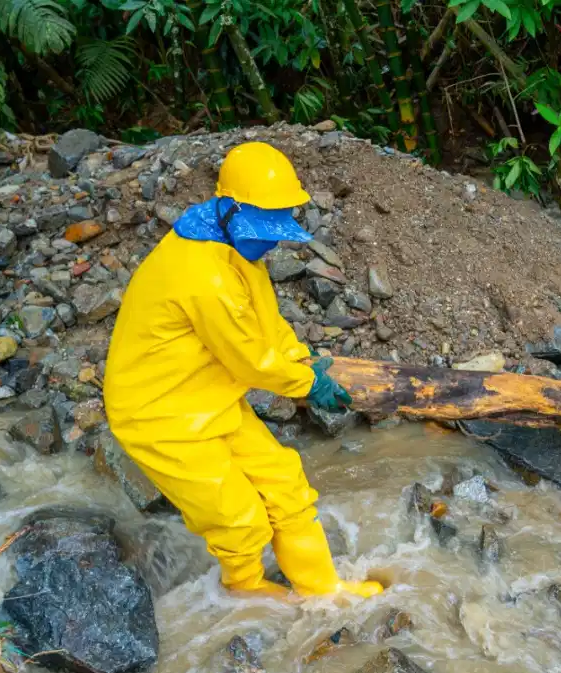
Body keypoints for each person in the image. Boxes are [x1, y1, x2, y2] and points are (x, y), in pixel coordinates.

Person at [104, 142, 383, 600]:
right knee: (238, 519)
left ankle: (323, 591)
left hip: (208, 396)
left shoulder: (229, 244)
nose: (272, 241)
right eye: (265, 228)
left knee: (286, 485)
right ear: (232, 209)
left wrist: (302, 359)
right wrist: (308, 384)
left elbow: (264, 323)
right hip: (159, 415)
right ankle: (244, 590)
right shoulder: (204, 274)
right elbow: (250, 360)